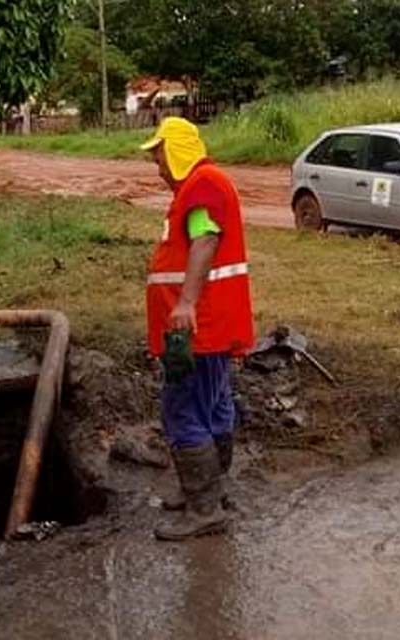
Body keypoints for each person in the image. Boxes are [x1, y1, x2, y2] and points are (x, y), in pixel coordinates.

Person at [140, 117, 255, 541]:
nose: (158, 168)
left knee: (183, 408)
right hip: (208, 325)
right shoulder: (207, 183)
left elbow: (205, 240)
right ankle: (210, 492)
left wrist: (186, 302)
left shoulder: (201, 187)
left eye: (160, 158)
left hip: (197, 327)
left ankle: (204, 508)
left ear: (177, 152)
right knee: (214, 404)